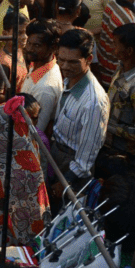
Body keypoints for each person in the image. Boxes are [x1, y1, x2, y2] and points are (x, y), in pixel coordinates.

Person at [0, 95, 50, 248]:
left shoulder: (38, 141)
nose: (32, 123)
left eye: (35, 118)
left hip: (17, 214)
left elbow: (38, 181)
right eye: (27, 117)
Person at [51, 28, 110, 188]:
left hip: (71, 169)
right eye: (61, 60)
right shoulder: (68, 80)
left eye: (73, 62)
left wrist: (65, 183)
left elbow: (86, 158)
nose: (64, 66)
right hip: (57, 156)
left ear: (89, 59)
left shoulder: (94, 102)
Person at [102, 22, 135, 162]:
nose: (112, 47)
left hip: (119, 154)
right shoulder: (121, 67)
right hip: (105, 144)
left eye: (115, 44)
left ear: (129, 51)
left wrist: (109, 126)